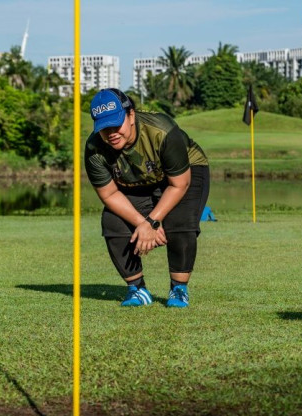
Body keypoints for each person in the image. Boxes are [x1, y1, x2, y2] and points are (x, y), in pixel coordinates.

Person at [84, 88, 210, 308]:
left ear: (131, 115)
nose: (111, 132)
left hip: (185, 173)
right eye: (104, 128)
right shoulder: (94, 149)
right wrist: (142, 224)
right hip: (137, 180)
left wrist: (153, 221)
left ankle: (178, 289)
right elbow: (109, 194)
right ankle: (137, 289)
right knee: (112, 221)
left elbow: (179, 184)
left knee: (179, 220)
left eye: (116, 124)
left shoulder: (162, 130)